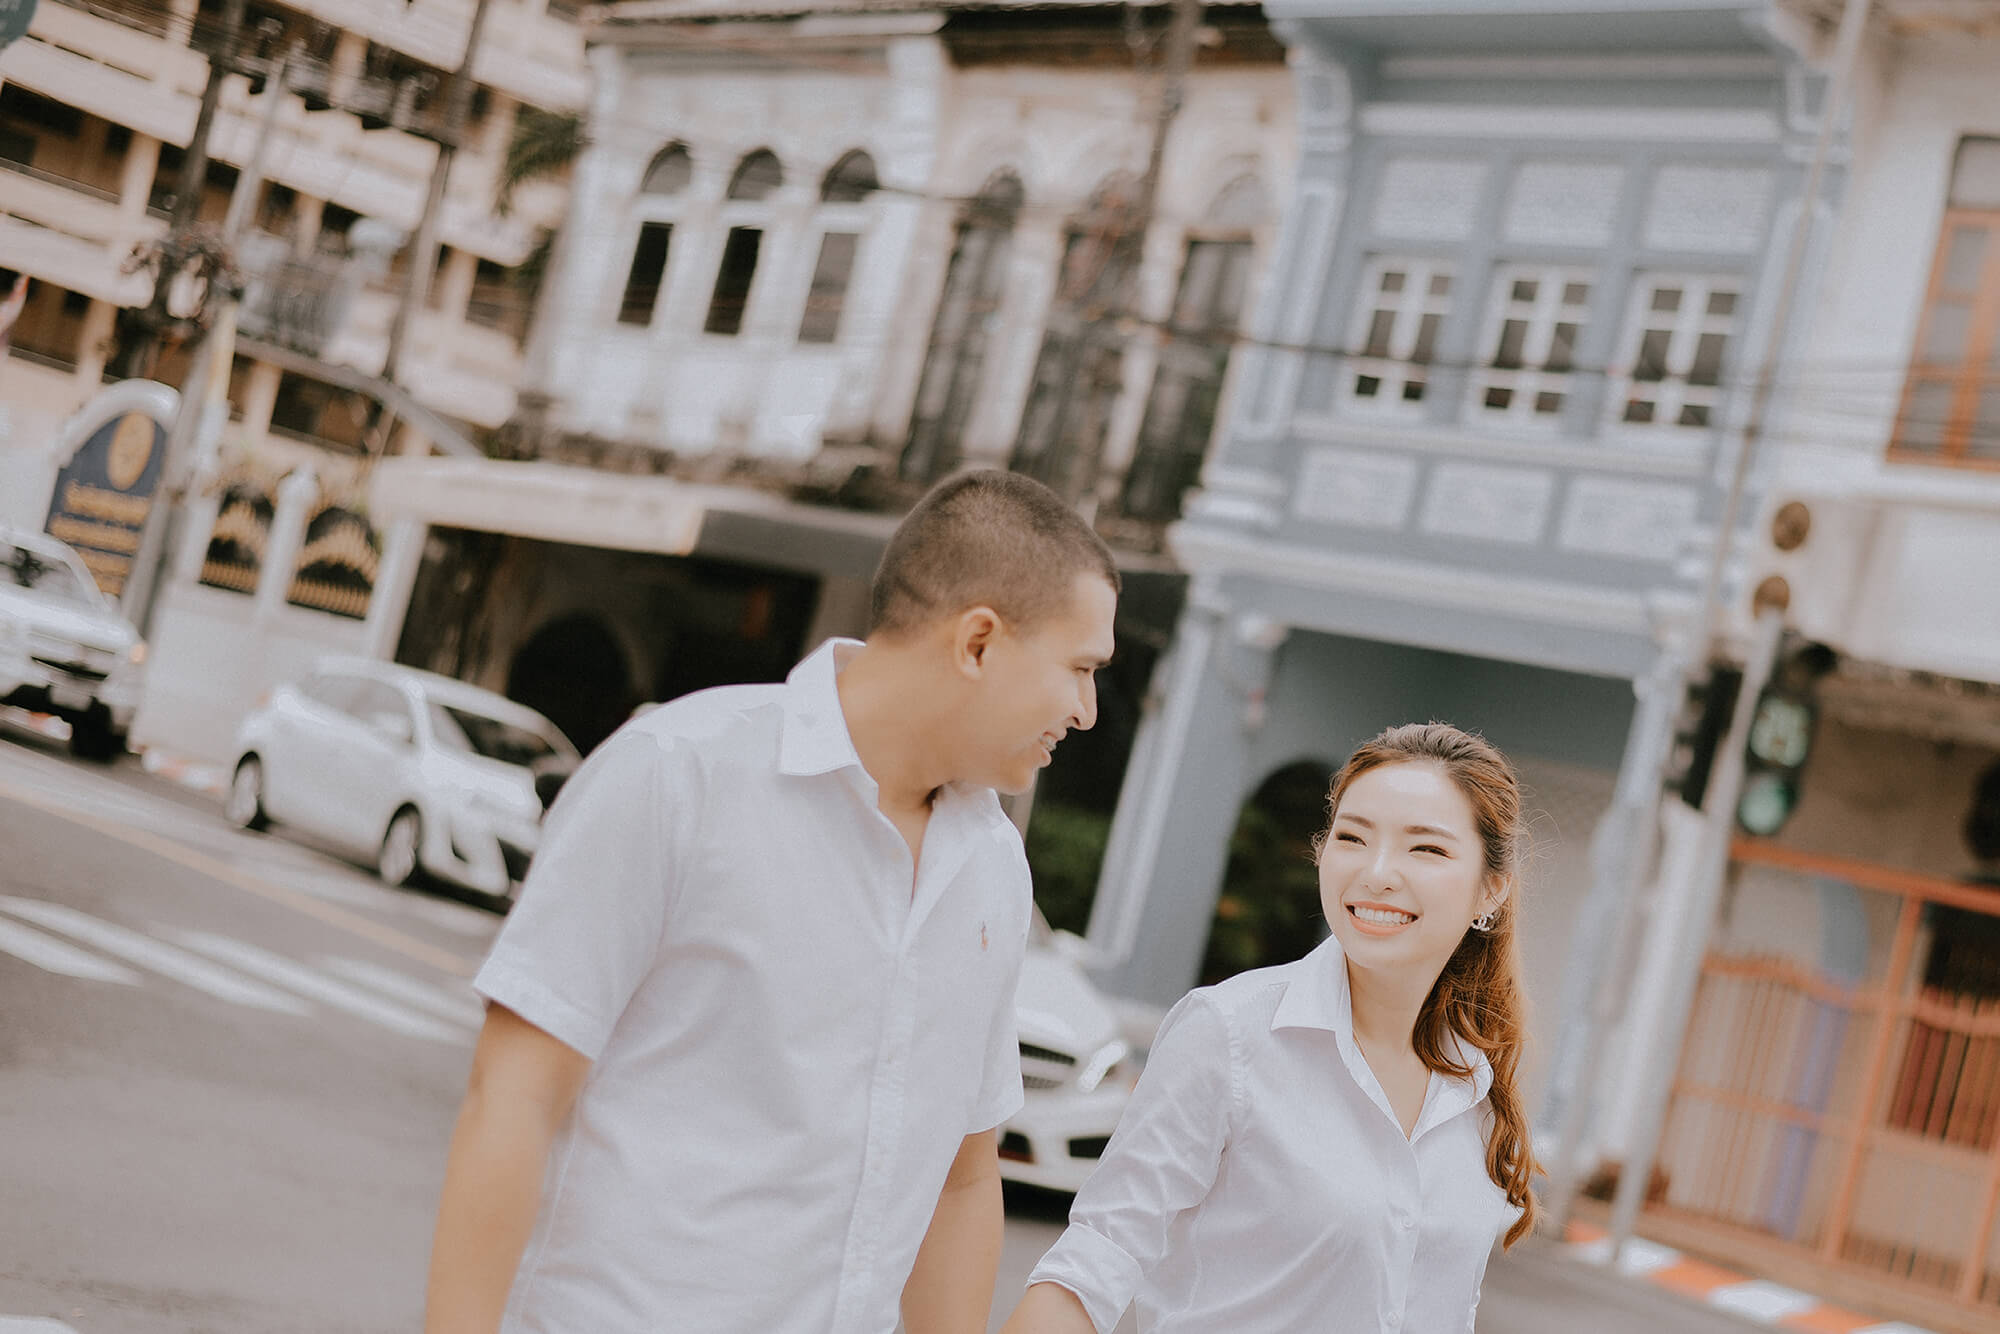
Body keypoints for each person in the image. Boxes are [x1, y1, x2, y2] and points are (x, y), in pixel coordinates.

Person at [423, 469, 1119, 1334]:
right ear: (978, 643)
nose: (1087, 710)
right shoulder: (679, 773)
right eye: (1081, 669)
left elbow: (963, 1178)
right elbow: (514, 1095)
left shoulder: (992, 869)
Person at [1002, 723, 1539, 1334]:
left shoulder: (1473, 1081)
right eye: (1353, 837)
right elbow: (1097, 1259)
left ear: (1490, 890)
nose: (1377, 872)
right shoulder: (1229, 1034)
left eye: (1426, 849)